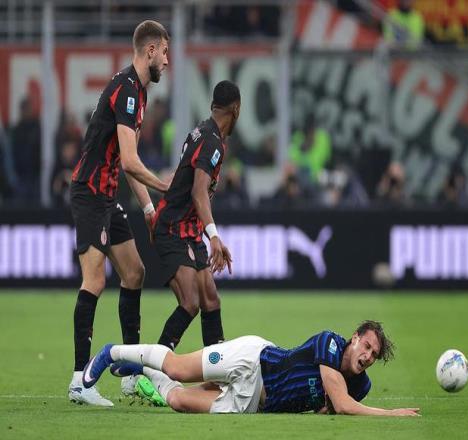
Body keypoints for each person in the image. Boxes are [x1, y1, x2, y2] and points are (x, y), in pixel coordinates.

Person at [68, 20, 171, 406]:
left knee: (134, 272)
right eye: (164, 52)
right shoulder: (127, 90)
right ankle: (79, 380)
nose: (167, 60)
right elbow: (130, 161)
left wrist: (147, 207)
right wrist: (164, 188)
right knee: (94, 280)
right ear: (150, 51)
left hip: (107, 196)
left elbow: (127, 164)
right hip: (90, 192)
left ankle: (128, 373)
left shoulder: (137, 92)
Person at [82, 320, 420, 416]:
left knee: (178, 401)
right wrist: (391, 414)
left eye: (374, 355)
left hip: (253, 404)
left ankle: (143, 368)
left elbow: (328, 409)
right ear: (354, 338)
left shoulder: (361, 386)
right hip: (252, 360)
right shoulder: (330, 343)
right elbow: (342, 405)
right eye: (366, 346)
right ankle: (113, 352)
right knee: (179, 369)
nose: (368, 356)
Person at [152, 81, 239, 352]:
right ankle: (150, 367)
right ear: (236, 109)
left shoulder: (201, 131)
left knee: (210, 300)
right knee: (190, 303)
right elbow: (198, 192)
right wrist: (213, 237)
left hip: (188, 228)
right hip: (172, 227)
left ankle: (217, 368)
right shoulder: (212, 142)